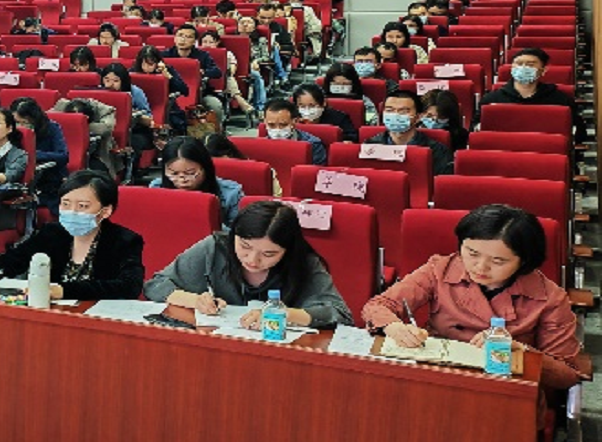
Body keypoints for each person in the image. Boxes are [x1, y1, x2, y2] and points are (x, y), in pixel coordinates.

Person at [364, 205, 584, 391]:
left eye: (498, 261)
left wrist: (520, 351)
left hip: (505, 388)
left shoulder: (550, 298)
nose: (480, 267)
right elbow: (379, 305)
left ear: (524, 261)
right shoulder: (439, 269)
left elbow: (567, 375)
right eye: (472, 253)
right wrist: (393, 326)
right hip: (438, 374)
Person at [144, 200, 353, 328]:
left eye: (269, 254)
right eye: (244, 246)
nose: (252, 260)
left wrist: (285, 314)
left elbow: (340, 314)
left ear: (288, 250)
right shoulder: (216, 247)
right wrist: (195, 300)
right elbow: (156, 284)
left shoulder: (304, 262)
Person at [0, 170, 144, 301]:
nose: (72, 212)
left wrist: (63, 290)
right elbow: (16, 258)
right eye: (65, 204)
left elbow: (129, 287)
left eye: (82, 206)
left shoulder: (124, 240)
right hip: (54, 315)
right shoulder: (53, 232)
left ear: (105, 211)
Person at [482, 47, 586, 141]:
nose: (523, 68)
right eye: (519, 64)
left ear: (543, 70)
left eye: (530, 65)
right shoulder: (491, 100)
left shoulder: (560, 100)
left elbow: (579, 133)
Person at [150, 136, 244, 228]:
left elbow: (236, 232)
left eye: (190, 173)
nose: (182, 180)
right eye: (174, 173)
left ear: (205, 168)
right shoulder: (156, 188)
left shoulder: (230, 193)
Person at [364, 89, 454, 176]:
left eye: (403, 111)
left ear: (418, 117)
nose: (396, 115)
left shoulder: (437, 151)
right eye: (389, 110)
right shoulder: (370, 146)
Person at [12, 98, 68, 210]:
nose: (21, 127)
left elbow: (63, 156)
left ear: (35, 120)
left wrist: (34, 155)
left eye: (25, 122)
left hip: (48, 177)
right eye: (17, 122)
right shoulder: (10, 130)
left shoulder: (51, 128)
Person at [102, 62, 155, 159]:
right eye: (106, 79)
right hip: (109, 131)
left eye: (116, 81)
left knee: (133, 145)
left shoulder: (136, 92)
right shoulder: (99, 92)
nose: (110, 84)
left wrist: (133, 114)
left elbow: (149, 121)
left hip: (136, 131)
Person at [132, 45, 189, 134]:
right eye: (144, 64)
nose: (146, 67)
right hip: (140, 107)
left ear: (158, 62)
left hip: (166, 107)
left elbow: (185, 90)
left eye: (150, 64)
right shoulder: (132, 72)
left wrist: (167, 75)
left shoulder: (167, 70)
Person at [261, 99, 327, 165]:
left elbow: (316, 170)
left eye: (283, 125)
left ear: (294, 121)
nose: (277, 130)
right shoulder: (260, 146)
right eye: (271, 125)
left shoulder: (313, 145)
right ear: (265, 121)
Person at [291, 83, 357, 143]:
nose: (307, 110)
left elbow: (351, 137)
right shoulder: (292, 118)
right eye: (302, 106)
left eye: (312, 106)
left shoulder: (339, 118)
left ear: (323, 103)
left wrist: (347, 142)